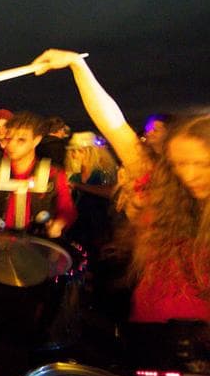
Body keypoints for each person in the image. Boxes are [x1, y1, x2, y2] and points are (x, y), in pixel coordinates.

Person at [32, 49, 210, 323]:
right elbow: (114, 126)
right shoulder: (161, 184)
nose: (189, 173)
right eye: (179, 163)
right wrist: (77, 66)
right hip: (150, 320)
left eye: (201, 164)